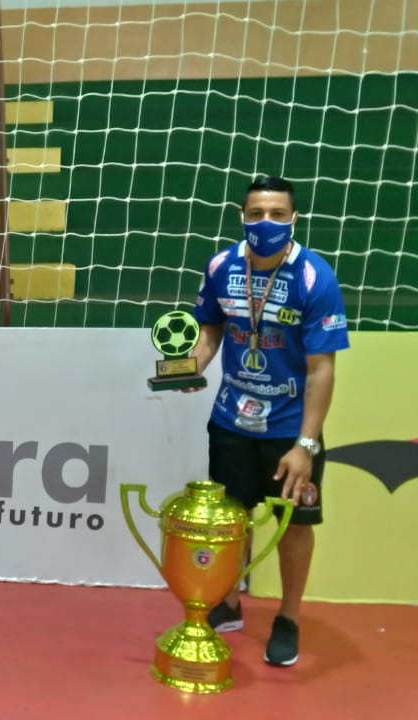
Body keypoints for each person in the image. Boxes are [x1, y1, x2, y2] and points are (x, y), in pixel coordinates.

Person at [186, 174, 350, 667]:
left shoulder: (314, 277)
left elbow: (322, 369)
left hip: (288, 431)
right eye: (256, 213)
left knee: (293, 526)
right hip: (231, 422)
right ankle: (230, 601)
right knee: (233, 521)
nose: (266, 223)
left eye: (278, 214)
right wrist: (190, 366)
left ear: (294, 218)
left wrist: (306, 443)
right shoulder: (221, 265)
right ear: (242, 216)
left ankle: (289, 616)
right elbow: (211, 331)